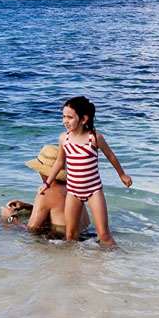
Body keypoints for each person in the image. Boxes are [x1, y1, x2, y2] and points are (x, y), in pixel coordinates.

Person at [40, 95, 132, 244]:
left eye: (70, 117)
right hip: (73, 191)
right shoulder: (64, 139)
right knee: (71, 235)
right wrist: (47, 183)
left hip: (94, 190)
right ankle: (76, 259)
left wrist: (122, 175)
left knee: (103, 234)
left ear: (83, 119)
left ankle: (118, 257)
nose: (65, 121)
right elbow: (59, 162)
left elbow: (111, 156)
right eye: (63, 117)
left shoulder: (94, 138)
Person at [0, 143, 90, 236]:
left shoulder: (46, 193)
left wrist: (11, 217)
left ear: (43, 171)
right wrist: (27, 206)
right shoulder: (73, 188)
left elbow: (30, 230)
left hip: (62, 240)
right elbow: (57, 211)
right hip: (86, 236)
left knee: (1, 224)